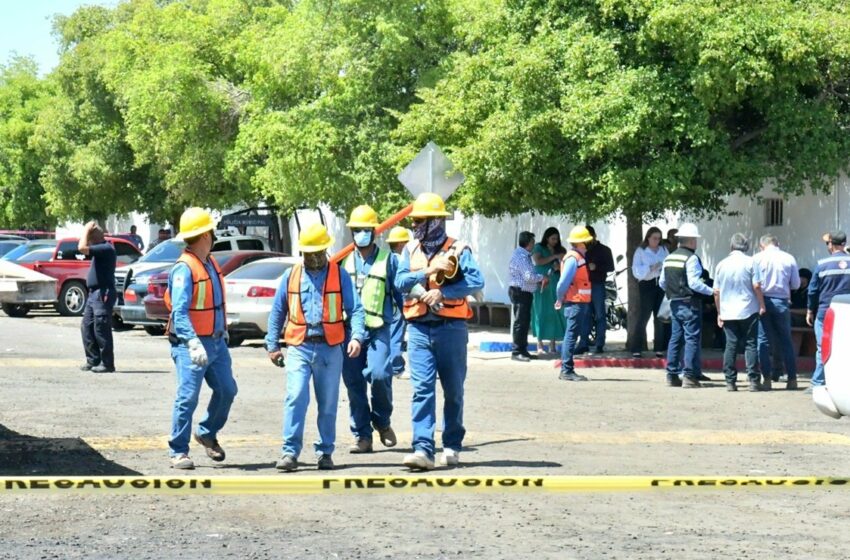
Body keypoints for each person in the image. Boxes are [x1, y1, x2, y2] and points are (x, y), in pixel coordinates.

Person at [395, 192, 484, 470]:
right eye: (415, 221)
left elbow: (475, 281)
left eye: (421, 221)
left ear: (436, 222)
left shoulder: (458, 249)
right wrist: (428, 272)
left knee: (453, 390)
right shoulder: (410, 251)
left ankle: (452, 444)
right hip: (419, 329)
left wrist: (442, 293)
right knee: (422, 389)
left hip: (452, 329)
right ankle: (423, 449)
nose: (416, 227)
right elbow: (399, 281)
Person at [266, 223, 365, 472]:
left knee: (328, 403)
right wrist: (272, 345)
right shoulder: (291, 276)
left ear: (326, 250)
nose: (314, 258)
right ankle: (290, 453)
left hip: (330, 348)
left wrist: (357, 337)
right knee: (296, 397)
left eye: (318, 253)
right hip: (299, 346)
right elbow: (278, 310)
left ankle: (325, 453)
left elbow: (356, 310)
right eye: (309, 254)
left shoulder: (339, 275)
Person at [164, 208, 237, 469]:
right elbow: (179, 312)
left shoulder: (209, 262)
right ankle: (178, 450)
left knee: (228, 390)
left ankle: (206, 432)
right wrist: (192, 342)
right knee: (188, 397)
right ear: (206, 233)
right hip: (191, 345)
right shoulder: (185, 268)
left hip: (217, 341)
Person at [341, 206, 405, 454]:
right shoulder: (343, 262)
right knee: (354, 385)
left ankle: (382, 420)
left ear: (374, 232)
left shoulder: (389, 261)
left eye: (364, 230)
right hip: (349, 333)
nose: (360, 234)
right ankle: (362, 436)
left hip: (379, 330)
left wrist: (400, 343)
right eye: (356, 230)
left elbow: (401, 301)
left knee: (379, 375)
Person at [659, 223, 714, 388]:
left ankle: (672, 374)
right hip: (690, 302)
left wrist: (674, 291)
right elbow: (695, 283)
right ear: (691, 241)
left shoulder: (669, 257)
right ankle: (689, 376)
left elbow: (662, 282)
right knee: (691, 338)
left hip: (674, 302)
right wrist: (712, 292)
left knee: (675, 338)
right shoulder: (691, 258)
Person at [714, 234, 766, 392]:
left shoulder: (721, 265)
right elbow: (756, 285)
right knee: (751, 344)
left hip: (728, 310)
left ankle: (730, 381)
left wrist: (719, 312)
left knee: (731, 345)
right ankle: (753, 380)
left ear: (731, 246)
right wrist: (762, 304)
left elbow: (716, 291)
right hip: (748, 309)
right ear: (746, 246)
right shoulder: (751, 262)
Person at [753, 233, 800, 390]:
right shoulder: (788, 258)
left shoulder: (757, 258)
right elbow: (796, 284)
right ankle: (792, 379)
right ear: (777, 243)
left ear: (762, 245)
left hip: (762, 301)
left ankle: (766, 379)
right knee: (786, 340)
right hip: (781, 302)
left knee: (763, 341)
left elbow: (753, 283)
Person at [807, 230, 850, 389]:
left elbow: (812, 291)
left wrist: (810, 310)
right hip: (847, 312)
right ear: (844, 243)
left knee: (822, 347)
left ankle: (818, 382)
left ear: (831, 244)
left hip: (826, 313)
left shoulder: (822, 264)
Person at [554, 226, 595, 382]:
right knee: (571, 336)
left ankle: (567, 369)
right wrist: (559, 298)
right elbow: (563, 282)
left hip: (578, 302)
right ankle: (567, 370)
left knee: (571, 335)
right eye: (587, 241)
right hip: (575, 302)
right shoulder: (574, 258)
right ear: (582, 242)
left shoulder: (576, 257)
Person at [78, 221, 117, 374]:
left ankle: (107, 363)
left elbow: (81, 248)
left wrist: (86, 229)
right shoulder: (98, 248)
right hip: (93, 293)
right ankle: (93, 359)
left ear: (93, 238)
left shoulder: (106, 248)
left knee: (101, 327)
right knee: (87, 326)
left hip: (103, 292)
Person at [508, 231, 547, 362]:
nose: (534, 244)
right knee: (520, 322)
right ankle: (517, 351)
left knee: (524, 322)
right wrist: (542, 277)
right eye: (533, 242)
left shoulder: (524, 255)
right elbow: (529, 276)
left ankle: (523, 350)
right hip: (520, 291)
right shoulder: (521, 256)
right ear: (528, 243)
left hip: (524, 291)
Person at [630, 227, 668, 358]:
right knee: (644, 316)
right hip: (647, 284)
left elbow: (668, 264)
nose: (656, 241)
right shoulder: (641, 251)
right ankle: (636, 348)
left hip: (660, 284)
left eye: (658, 238)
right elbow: (636, 270)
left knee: (659, 317)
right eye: (654, 238)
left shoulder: (663, 250)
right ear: (648, 238)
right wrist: (650, 268)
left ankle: (659, 348)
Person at [577, 225, 614, 354]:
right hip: (583, 285)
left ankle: (599, 344)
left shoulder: (604, 250)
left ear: (594, 236)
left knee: (600, 315)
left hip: (597, 284)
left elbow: (610, 267)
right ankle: (583, 343)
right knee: (585, 315)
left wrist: (596, 267)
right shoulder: (581, 251)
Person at [531, 227, 566, 355]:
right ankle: (539, 345)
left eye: (557, 239)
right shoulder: (539, 248)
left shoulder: (561, 250)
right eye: (553, 238)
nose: (555, 241)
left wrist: (559, 266)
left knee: (554, 313)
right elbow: (538, 261)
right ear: (547, 238)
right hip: (542, 284)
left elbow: (566, 264)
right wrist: (554, 256)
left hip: (555, 282)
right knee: (540, 312)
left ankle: (552, 345)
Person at [387, 227, 411, 378]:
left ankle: (395, 364)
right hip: (398, 303)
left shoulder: (388, 258)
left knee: (393, 334)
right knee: (396, 335)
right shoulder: (398, 260)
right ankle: (397, 367)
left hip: (391, 304)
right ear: (401, 244)